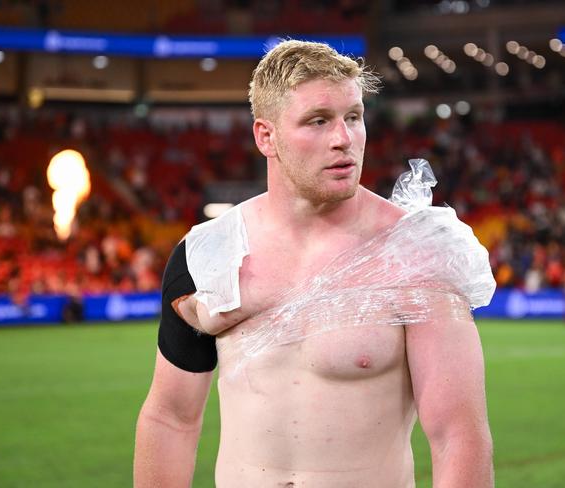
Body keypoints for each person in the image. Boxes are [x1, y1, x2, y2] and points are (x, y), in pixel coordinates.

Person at [134, 39, 495, 488]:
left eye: (354, 117)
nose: (343, 139)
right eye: (318, 121)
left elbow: (457, 436)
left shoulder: (414, 253)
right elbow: (171, 418)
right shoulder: (207, 253)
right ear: (266, 136)